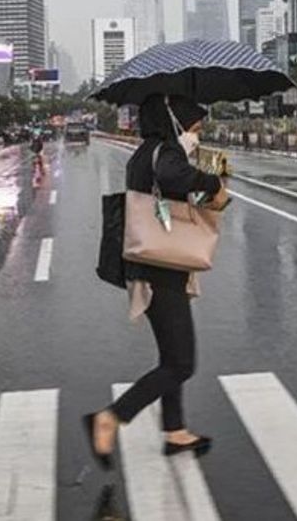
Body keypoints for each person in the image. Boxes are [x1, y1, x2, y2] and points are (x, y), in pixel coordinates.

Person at [84, 94, 228, 466]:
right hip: (159, 269)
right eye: (194, 127)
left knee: (171, 356)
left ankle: (176, 430)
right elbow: (172, 176)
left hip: (155, 266)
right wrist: (213, 181)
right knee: (181, 363)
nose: (197, 134)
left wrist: (204, 186)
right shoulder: (164, 152)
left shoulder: (147, 151)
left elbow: (171, 189)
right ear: (175, 121)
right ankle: (110, 418)